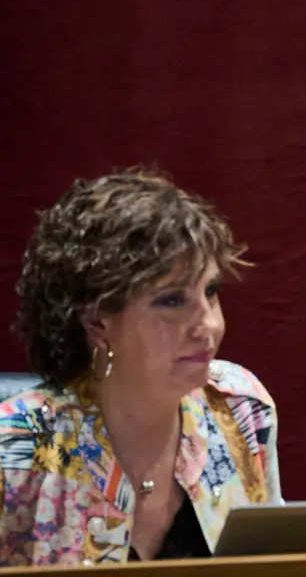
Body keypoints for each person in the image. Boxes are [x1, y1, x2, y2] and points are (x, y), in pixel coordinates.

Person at [0, 168, 281, 566]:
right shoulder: (14, 448)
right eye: (172, 301)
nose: (210, 326)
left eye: (211, 292)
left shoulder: (241, 408)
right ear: (98, 322)